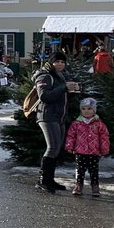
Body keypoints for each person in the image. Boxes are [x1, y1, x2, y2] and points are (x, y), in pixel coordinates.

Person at [34, 50, 78, 193]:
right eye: (57, 61)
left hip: (59, 116)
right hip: (47, 116)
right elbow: (44, 96)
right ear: (51, 63)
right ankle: (43, 180)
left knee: (56, 148)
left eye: (62, 62)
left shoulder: (60, 76)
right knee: (52, 147)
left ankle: (49, 179)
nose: (60, 64)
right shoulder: (45, 76)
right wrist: (64, 88)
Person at [64, 97, 110, 197]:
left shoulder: (99, 124)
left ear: (94, 110)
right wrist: (69, 146)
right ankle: (78, 185)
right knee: (80, 170)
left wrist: (104, 148)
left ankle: (95, 187)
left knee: (94, 171)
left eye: (89, 109)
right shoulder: (76, 123)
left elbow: (104, 137)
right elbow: (71, 136)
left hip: (94, 152)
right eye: (84, 109)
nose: (86, 111)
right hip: (80, 151)